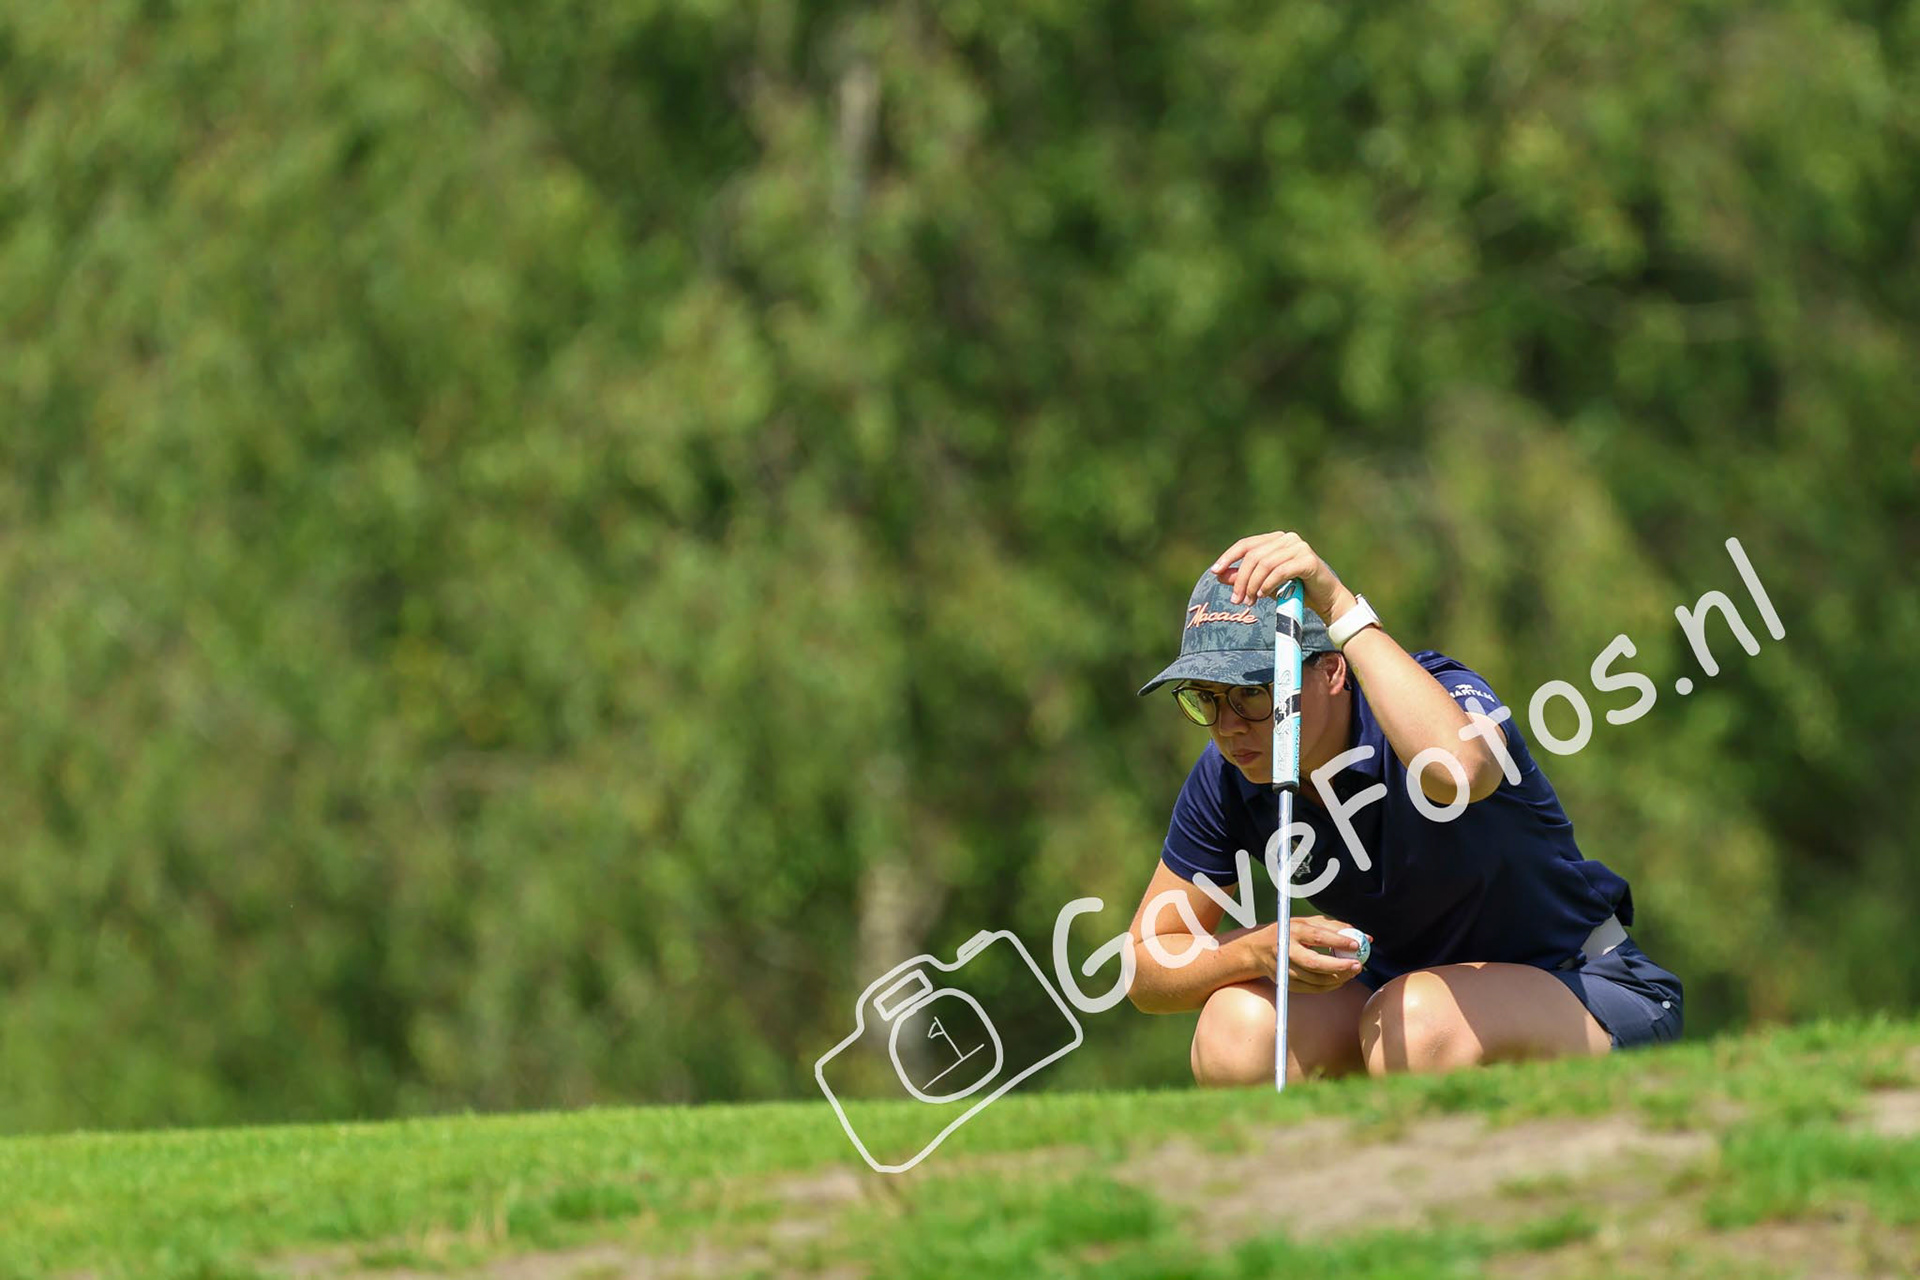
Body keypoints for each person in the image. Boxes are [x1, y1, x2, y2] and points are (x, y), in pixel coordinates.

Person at [1127, 530, 1684, 1084]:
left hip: (1584, 981)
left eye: (1253, 692)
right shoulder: (1228, 777)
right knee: (1237, 1033)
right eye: (1206, 698)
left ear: (1331, 669)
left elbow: (1460, 772)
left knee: (1416, 1027)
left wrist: (1339, 604)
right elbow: (1149, 962)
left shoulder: (1434, 695)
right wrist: (1256, 951)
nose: (1228, 727)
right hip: (1396, 1000)